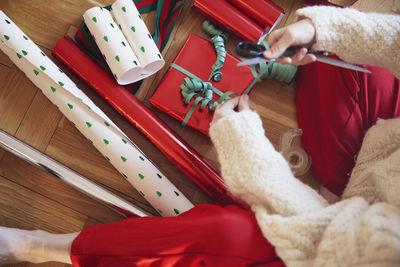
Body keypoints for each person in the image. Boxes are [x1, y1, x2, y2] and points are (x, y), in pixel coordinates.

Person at [1, 5, 400, 267]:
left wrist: (247, 151)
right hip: (386, 156)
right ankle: (332, 195)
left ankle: (41, 246)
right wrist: (314, 28)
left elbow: (340, 248)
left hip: (349, 251)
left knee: (224, 235)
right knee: (337, 34)